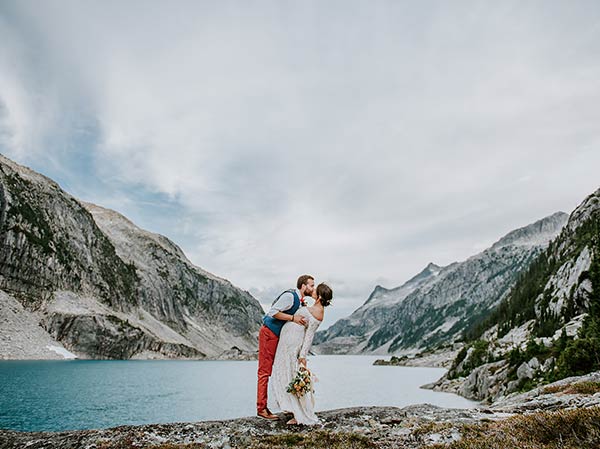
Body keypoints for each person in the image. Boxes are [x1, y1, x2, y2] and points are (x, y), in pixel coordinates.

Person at [269, 282, 333, 425]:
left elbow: (309, 336)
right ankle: (291, 409)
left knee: (289, 372)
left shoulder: (318, 312)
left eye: (316, 289)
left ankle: (298, 414)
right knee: (285, 371)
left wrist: (303, 356)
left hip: (292, 343)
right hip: (288, 340)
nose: (314, 290)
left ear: (320, 296)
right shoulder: (315, 308)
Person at [256, 275, 314, 420]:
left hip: (277, 336)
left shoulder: (299, 300)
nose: (312, 288)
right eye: (311, 285)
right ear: (303, 286)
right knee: (265, 371)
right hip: (269, 333)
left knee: (281, 369)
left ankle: (286, 404)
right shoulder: (290, 296)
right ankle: (261, 408)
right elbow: (273, 312)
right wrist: (293, 318)